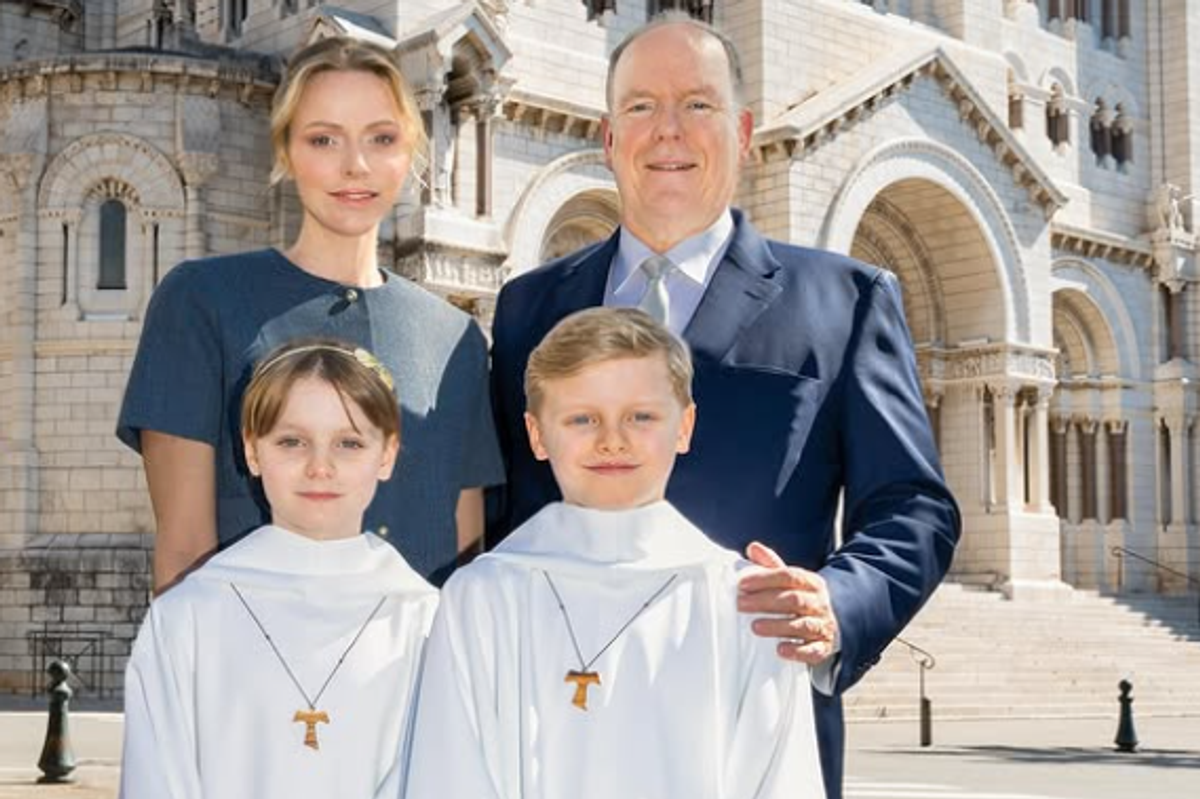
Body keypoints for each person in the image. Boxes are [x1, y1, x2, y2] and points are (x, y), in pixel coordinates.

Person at [488, 14, 961, 798]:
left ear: (741, 132)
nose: (667, 130)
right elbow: (506, 499)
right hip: (558, 716)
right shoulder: (529, 306)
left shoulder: (845, 302)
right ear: (609, 137)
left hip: (752, 717)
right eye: (640, 107)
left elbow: (914, 507)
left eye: (697, 105)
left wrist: (839, 600)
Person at [117, 35, 502, 592]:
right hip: (254, 668)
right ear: (286, 152)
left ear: (409, 155)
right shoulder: (200, 302)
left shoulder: (456, 339)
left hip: (419, 673)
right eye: (324, 139)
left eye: (382, 138)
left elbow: (466, 563)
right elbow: (182, 552)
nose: (356, 165)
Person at [407, 307, 825, 799]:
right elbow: (449, 775)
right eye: (582, 418)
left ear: (685, 426)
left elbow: (779, 780)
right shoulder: (481, 598)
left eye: (641, 416)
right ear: (538, 435)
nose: (612, 440)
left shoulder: (744, 601)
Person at [120, 339, 438, 799]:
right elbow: (156, 780)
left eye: (348, 443)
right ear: (253, 451)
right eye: (292, 441)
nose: (320, 467)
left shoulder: (426, 621)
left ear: (386, 455)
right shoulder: (188, 617)